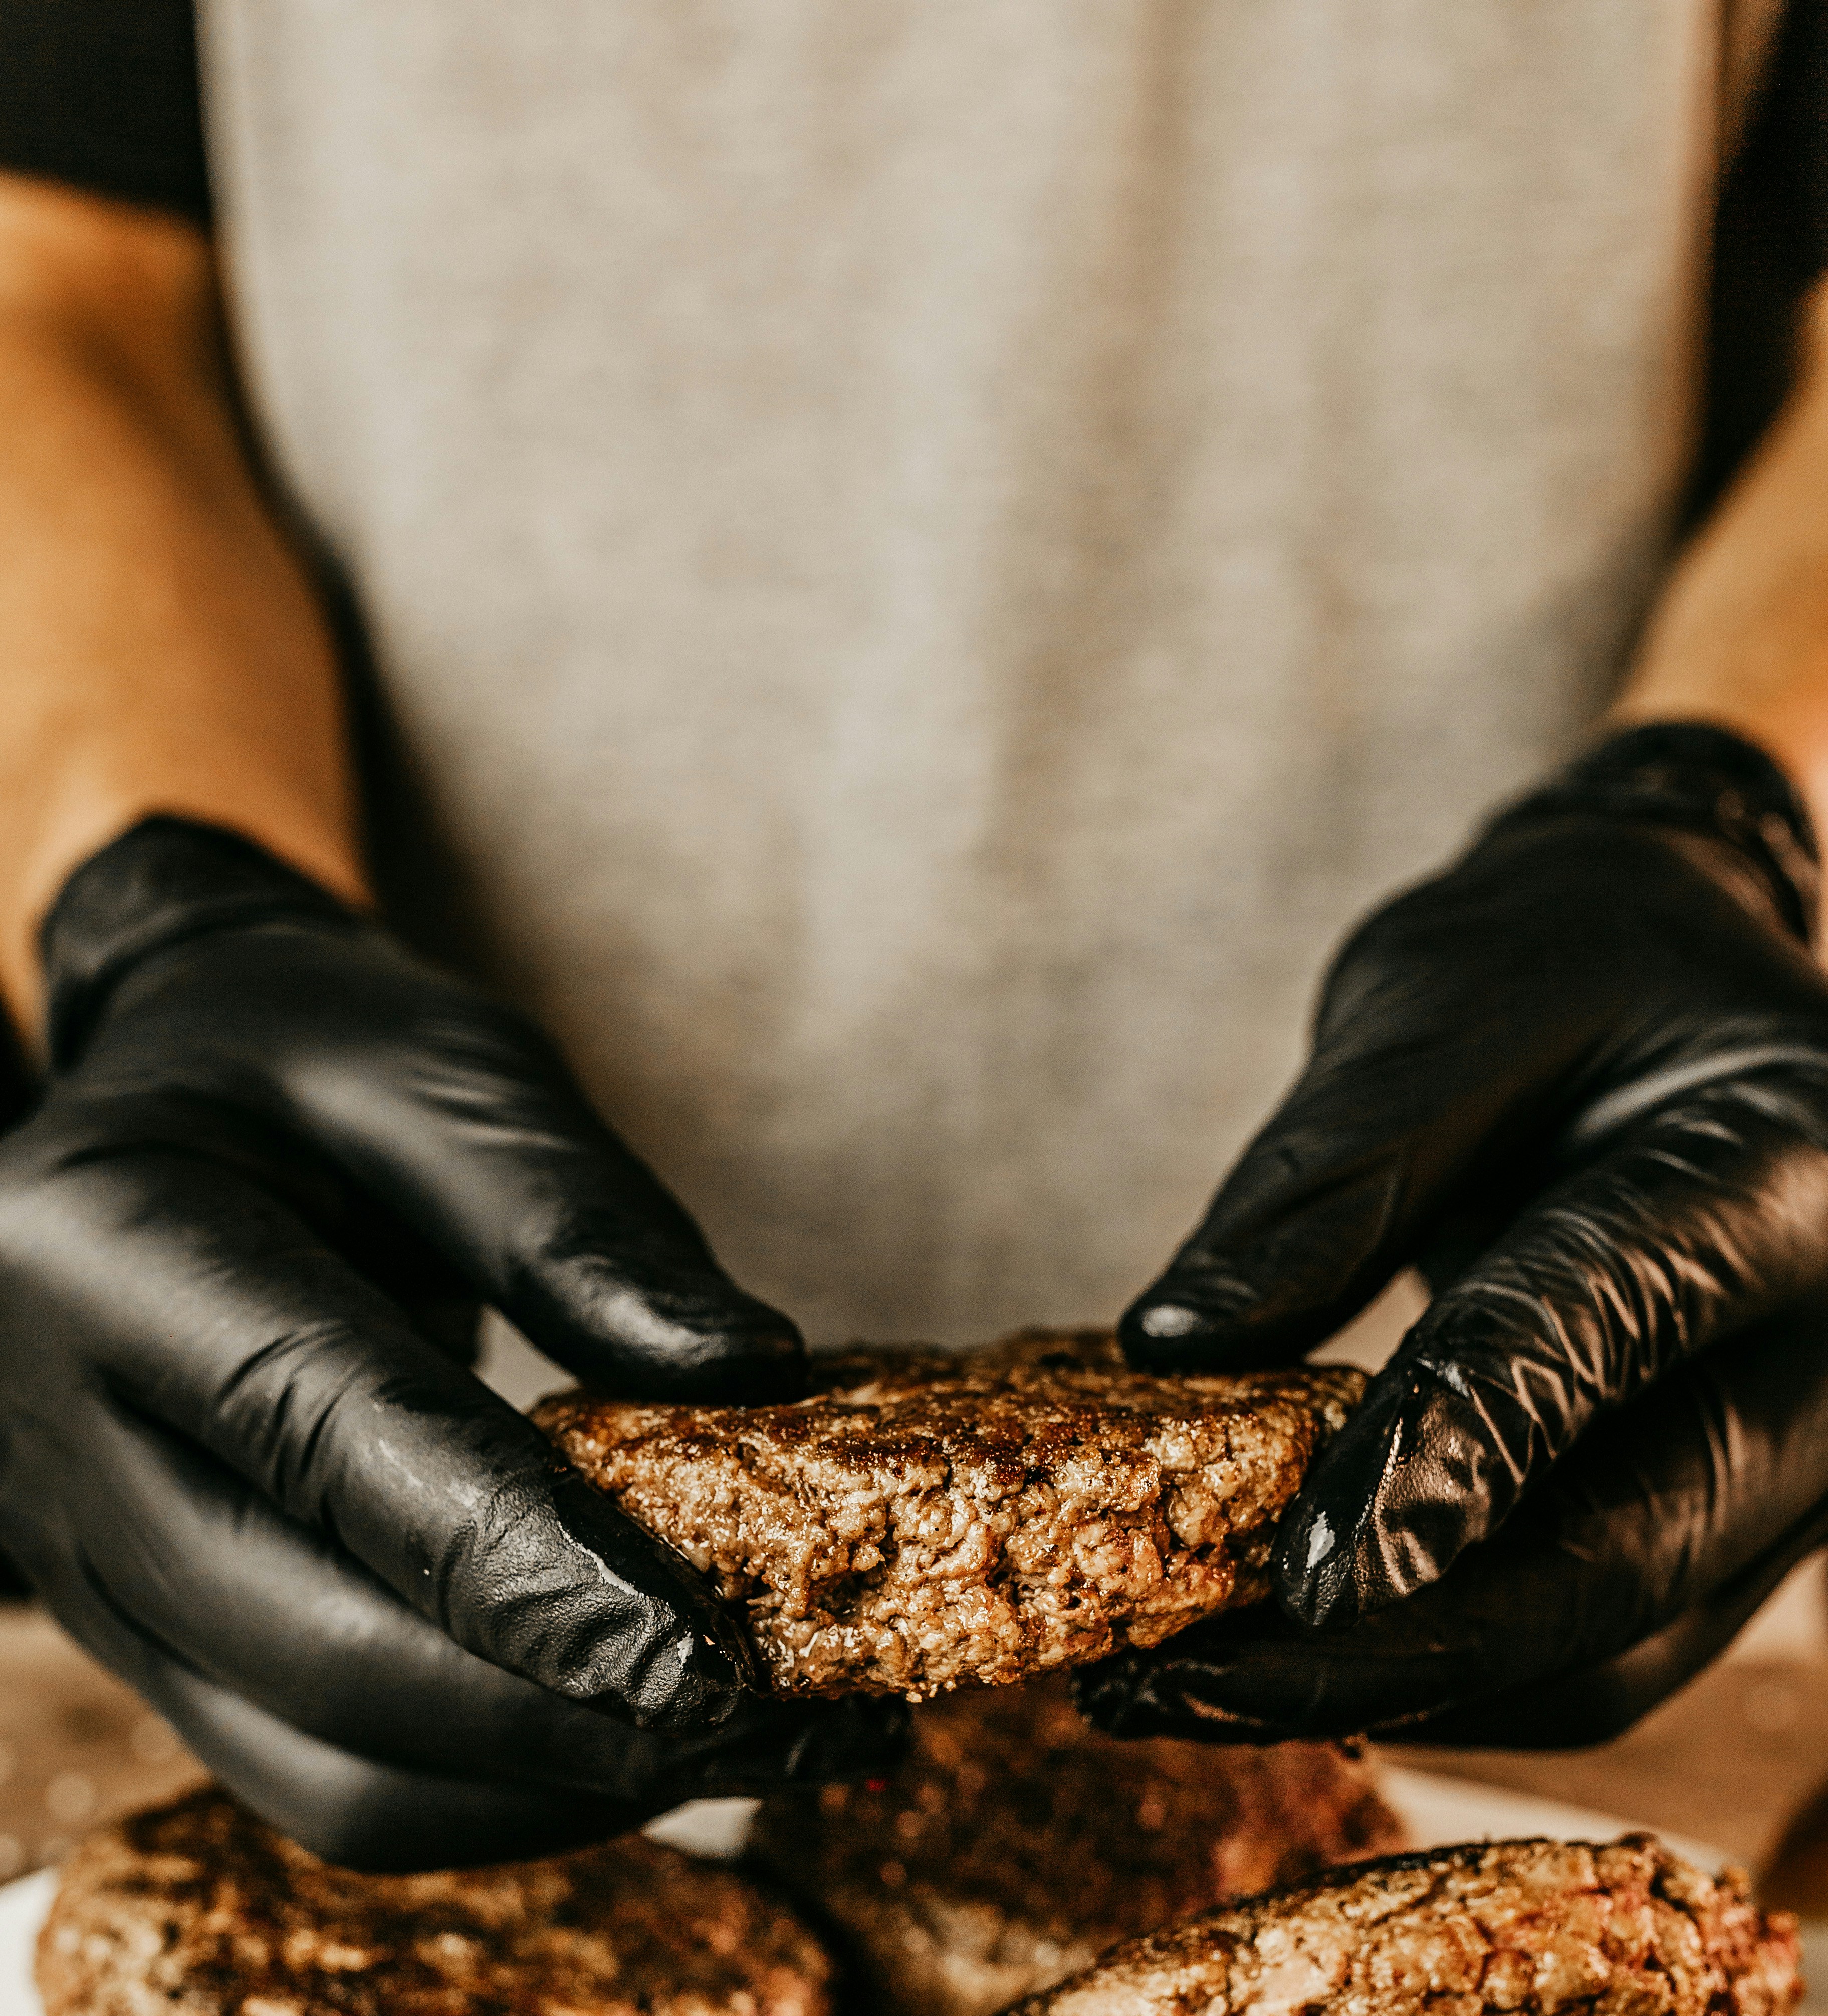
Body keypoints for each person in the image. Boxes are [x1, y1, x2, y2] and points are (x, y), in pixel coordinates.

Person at [4, 2, 1828, 1867]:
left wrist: (1744, 825)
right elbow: (58, 294)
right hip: (414, 1450)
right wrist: (158, 908)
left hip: (1558, 1441)